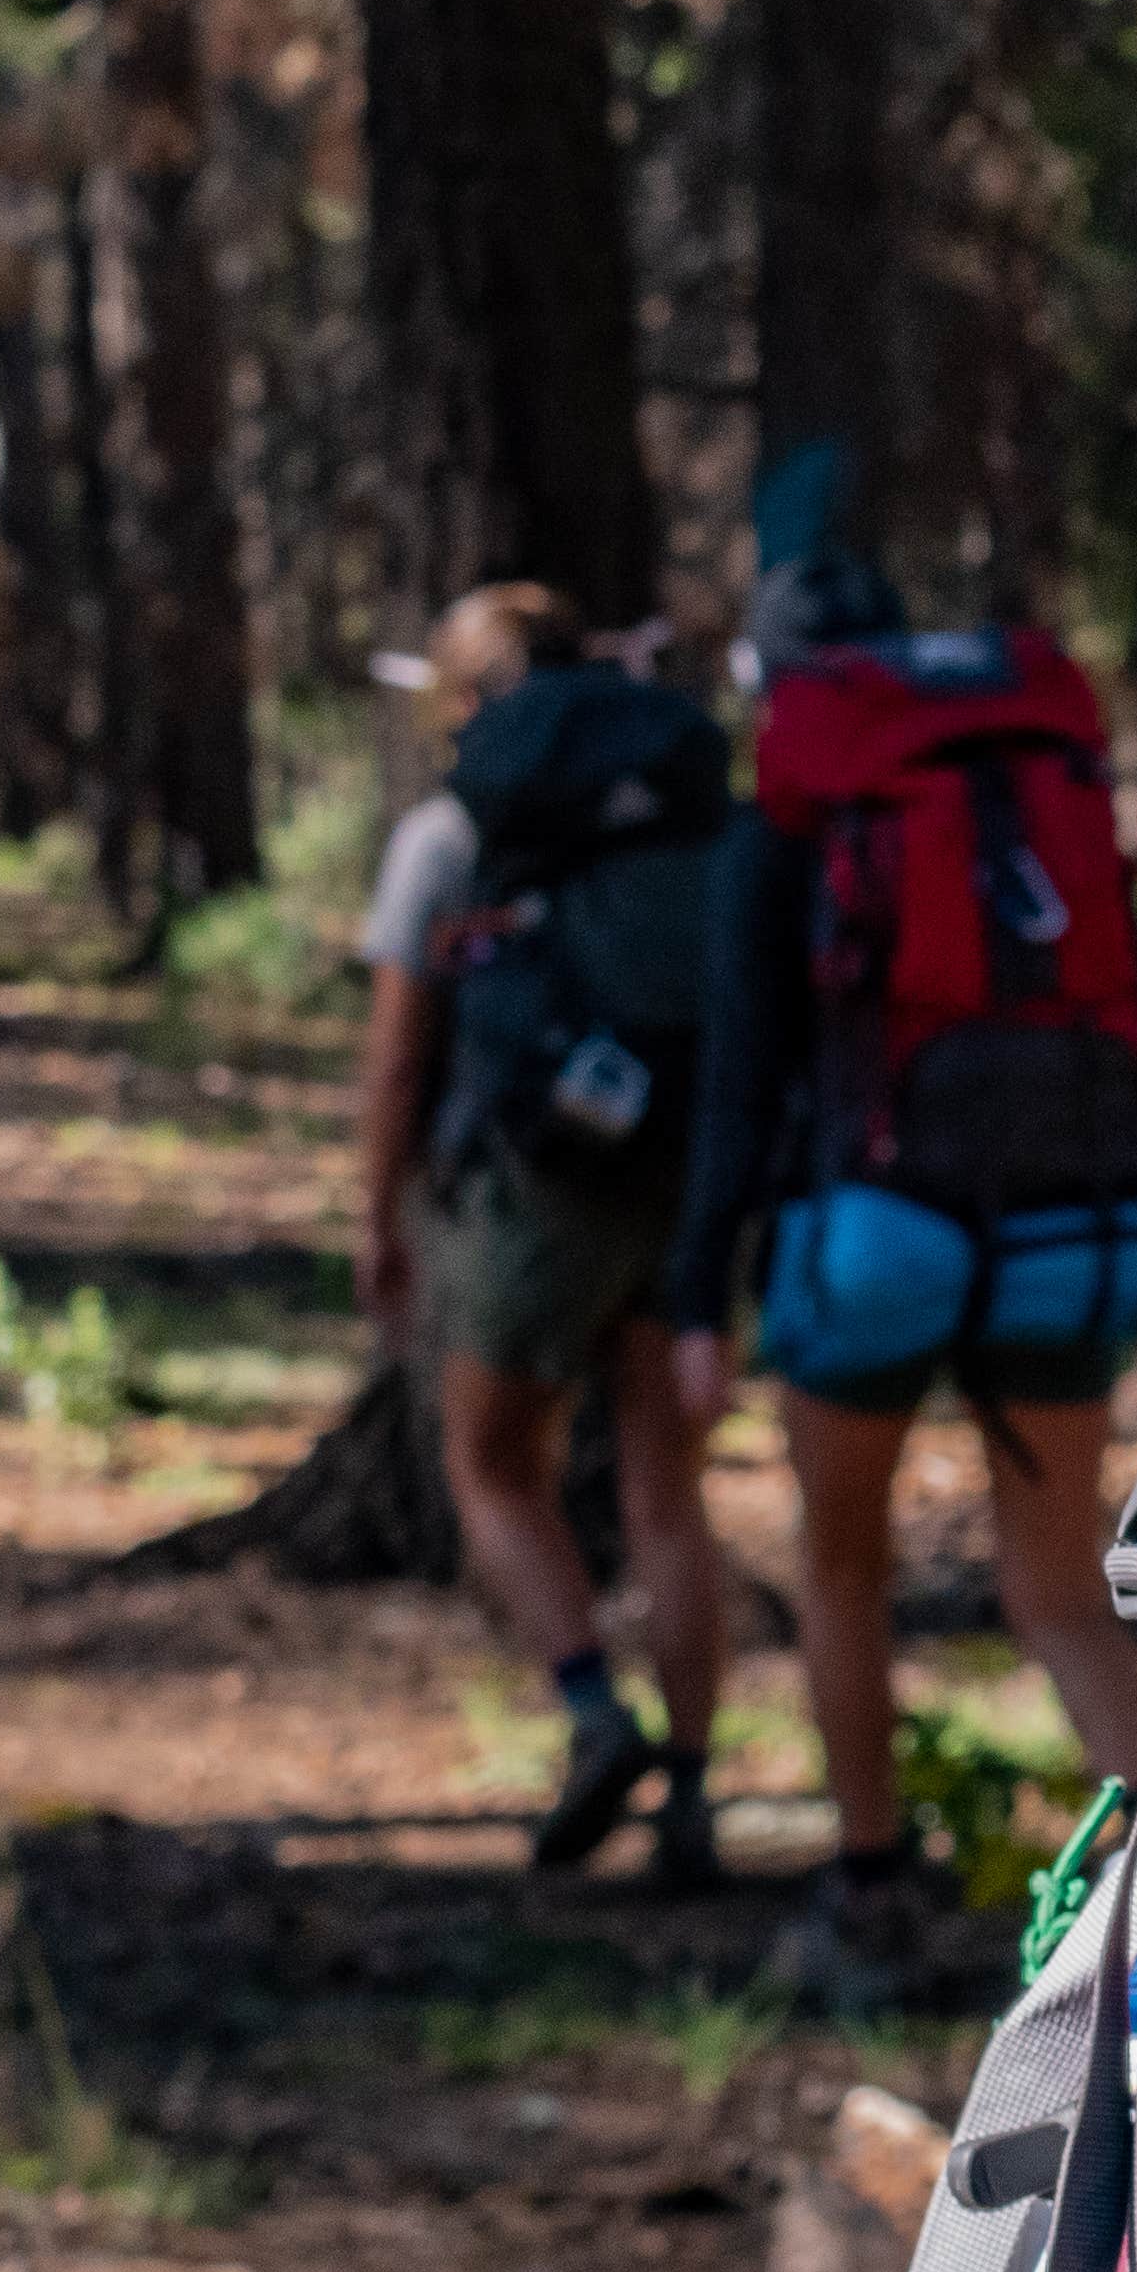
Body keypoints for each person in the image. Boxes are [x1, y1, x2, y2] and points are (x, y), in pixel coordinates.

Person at [666, 530, 1137, 2013]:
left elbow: (740, 1076)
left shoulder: (794, 817)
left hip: (872, 1239)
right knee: (1058, 1589)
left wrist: (701, 1294)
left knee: (843, 1566)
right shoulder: (1030, 781)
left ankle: (870, 1896)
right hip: (1063, 1227)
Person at [351, 581, 735, 1887]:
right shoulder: (685, 815)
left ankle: (590, 1714)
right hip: (685, 1170)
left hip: (533, 1183)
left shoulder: (455, 832)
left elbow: (400, 1059)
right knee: (666, 1490)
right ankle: (692, 1792)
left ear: (469, 698)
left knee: (493, 1464)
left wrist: (380, 1217)